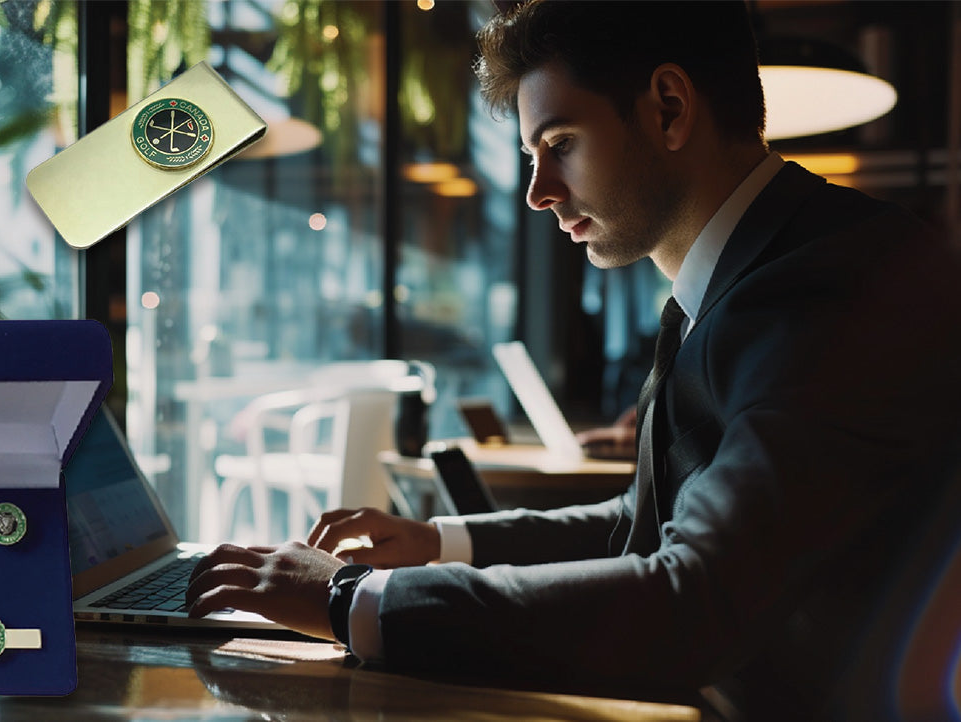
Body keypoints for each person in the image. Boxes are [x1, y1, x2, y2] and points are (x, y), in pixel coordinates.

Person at [186, 1, 961, 717]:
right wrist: (438, 543)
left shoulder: (820, 289)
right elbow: (646, 525)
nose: (537, 191)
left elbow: (695, 602)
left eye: (560, 144)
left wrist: (351, 600)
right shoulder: (745, 277)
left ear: (669, 108)